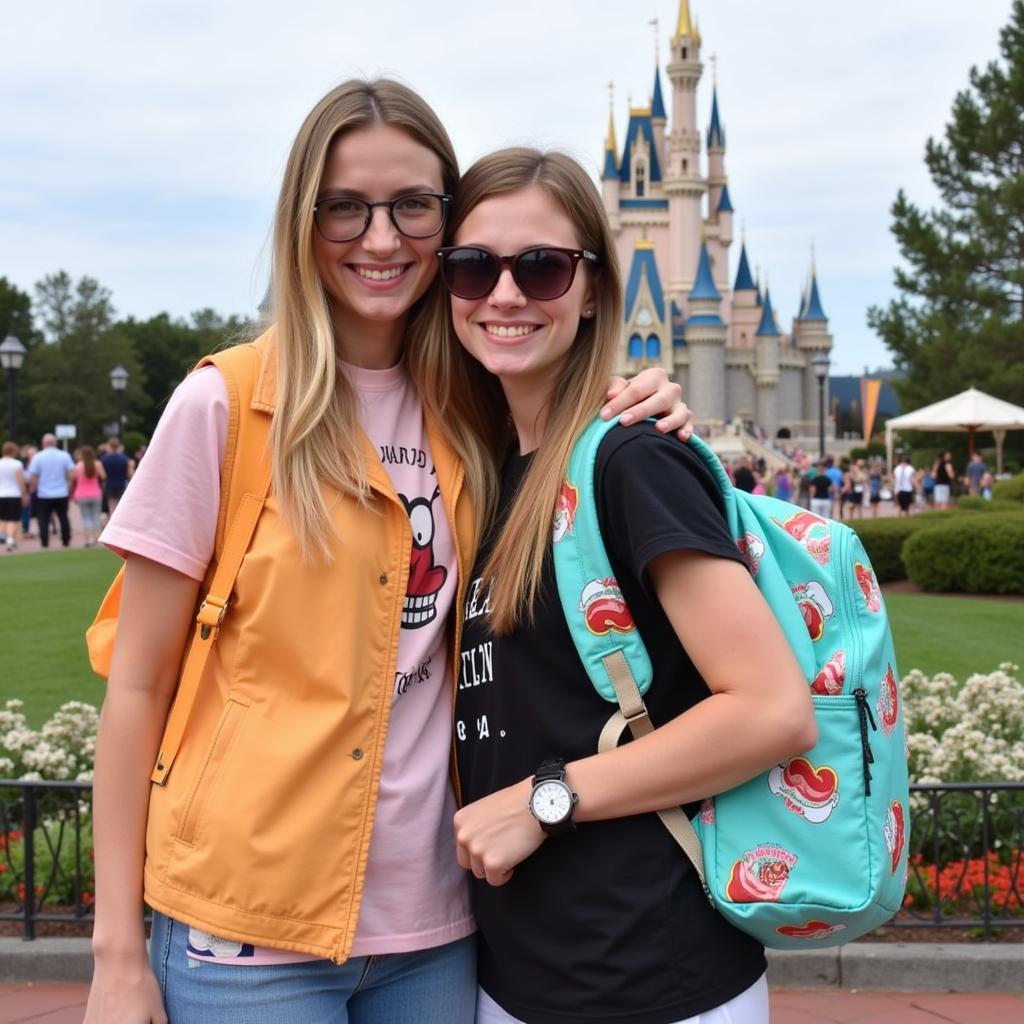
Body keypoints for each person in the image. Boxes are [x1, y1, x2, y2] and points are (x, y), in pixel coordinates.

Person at [84, 79, 692, 1024]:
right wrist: (117, 954)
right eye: (345, 208)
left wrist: (645, 400)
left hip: (437, 934)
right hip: (248, 938)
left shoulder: (480, 409)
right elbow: (135, 689)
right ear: (303, 219)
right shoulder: (228, 408)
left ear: (446, 224)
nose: (380, 238)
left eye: (412, 206)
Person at [441, 148, 816, 1024]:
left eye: (541, 267)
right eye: (473, 266)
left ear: (595, 288)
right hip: (521, 974)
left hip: (646, 977)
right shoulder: (491, 470)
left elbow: (772, 709)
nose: (504, 294)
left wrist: (547, 802)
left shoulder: (632, 459)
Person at [26, 433, 75, 548]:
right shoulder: (64, 455)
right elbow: (71, 474)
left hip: (44, 493)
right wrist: (68, 488)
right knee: (63, 517)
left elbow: (32, 476)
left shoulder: (38, 457)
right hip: (61, 492)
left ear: (43, 443)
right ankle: (66, 540)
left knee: (43, 518)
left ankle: (44, 541)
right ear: (55, 442)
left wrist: (37, 488)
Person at [73, 445, 106, 547]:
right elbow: (104, 476)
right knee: (96, 517)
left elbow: (74, 479)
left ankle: (89, 539)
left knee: (86, 517)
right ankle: (97, 538)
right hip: (95, 493)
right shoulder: (97, 464)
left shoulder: (78, 466)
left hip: (82, 494)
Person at [0, 441, 28, 551]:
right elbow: (21, 481)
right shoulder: (17, 464)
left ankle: (3, 534)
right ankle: (10, 539)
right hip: (14, 494)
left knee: (2, 518)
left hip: (1, 494)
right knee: (13, 519)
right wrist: (24, 494)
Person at [99, 437, 133, 518]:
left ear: (109, 446)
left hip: (109, 485)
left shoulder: (104, 459)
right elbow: (129, 474)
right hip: (121, 485)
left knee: (111, 507)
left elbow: (103, 476)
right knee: (121, 508)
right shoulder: (125, 458)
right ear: (118, 446)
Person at [893, 452, 917, 517]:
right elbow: (914, 479)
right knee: (907, 507)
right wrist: (916, 487)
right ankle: (906, 518)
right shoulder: (910, 469)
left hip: (899, 490)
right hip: (907, 489)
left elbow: (894, 479)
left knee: (900, 506)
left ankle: (899, 519)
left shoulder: (897, 468)